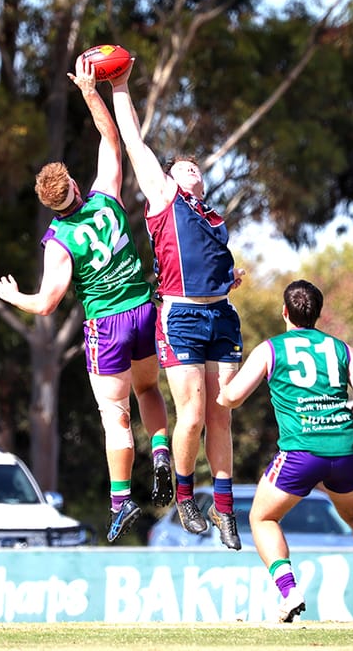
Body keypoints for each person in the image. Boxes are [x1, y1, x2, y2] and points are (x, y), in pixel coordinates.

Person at [0, 53, 170, 543]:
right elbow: (111, 139)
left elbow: (48, 302)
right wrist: (93, 91)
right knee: (150, 391)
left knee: (115, 417)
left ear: (50, 204)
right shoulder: (107, 196)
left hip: (106, 326)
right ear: (73, 184)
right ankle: (161, 453)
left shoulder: (58, 240)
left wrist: (14, 296)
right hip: (142, 312)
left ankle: (120, 502)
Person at [216, 279, 353, 622]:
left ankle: (289, 590)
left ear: (284, 312)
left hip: (300, 451)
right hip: (344, 448)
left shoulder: (271, 349)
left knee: (262, 518)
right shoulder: (339, 348)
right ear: (318, 314)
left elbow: (233, 398)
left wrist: (220, 391)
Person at [110, 61, 244, 549]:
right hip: (182, 317)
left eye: (198, 168)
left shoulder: (213, 216)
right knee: (190, 415)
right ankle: (185, 496)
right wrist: (120, 87)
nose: (193, 168)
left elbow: (214, 263)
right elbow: (134, 142)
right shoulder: (165, 196)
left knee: (222, 414)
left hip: (221, 315)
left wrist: (233, 276)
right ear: (170, 175)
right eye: (185, 164)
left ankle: (224, 508)